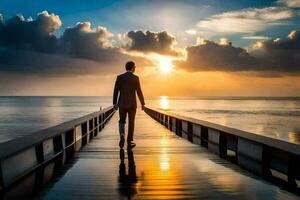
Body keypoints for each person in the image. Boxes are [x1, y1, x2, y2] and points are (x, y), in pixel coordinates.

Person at [113, 61, 145, 149]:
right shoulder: (135, 78)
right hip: (132, 105)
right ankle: (129, 141)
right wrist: (142, 103)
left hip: (122, 104)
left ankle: (122, 135)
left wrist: (114, 103)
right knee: (131, 122)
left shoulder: (119, 77)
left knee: (121, 121)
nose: (135, 68)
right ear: (132, 68)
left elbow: (115, 91)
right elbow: (139, 91)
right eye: (135, 67)